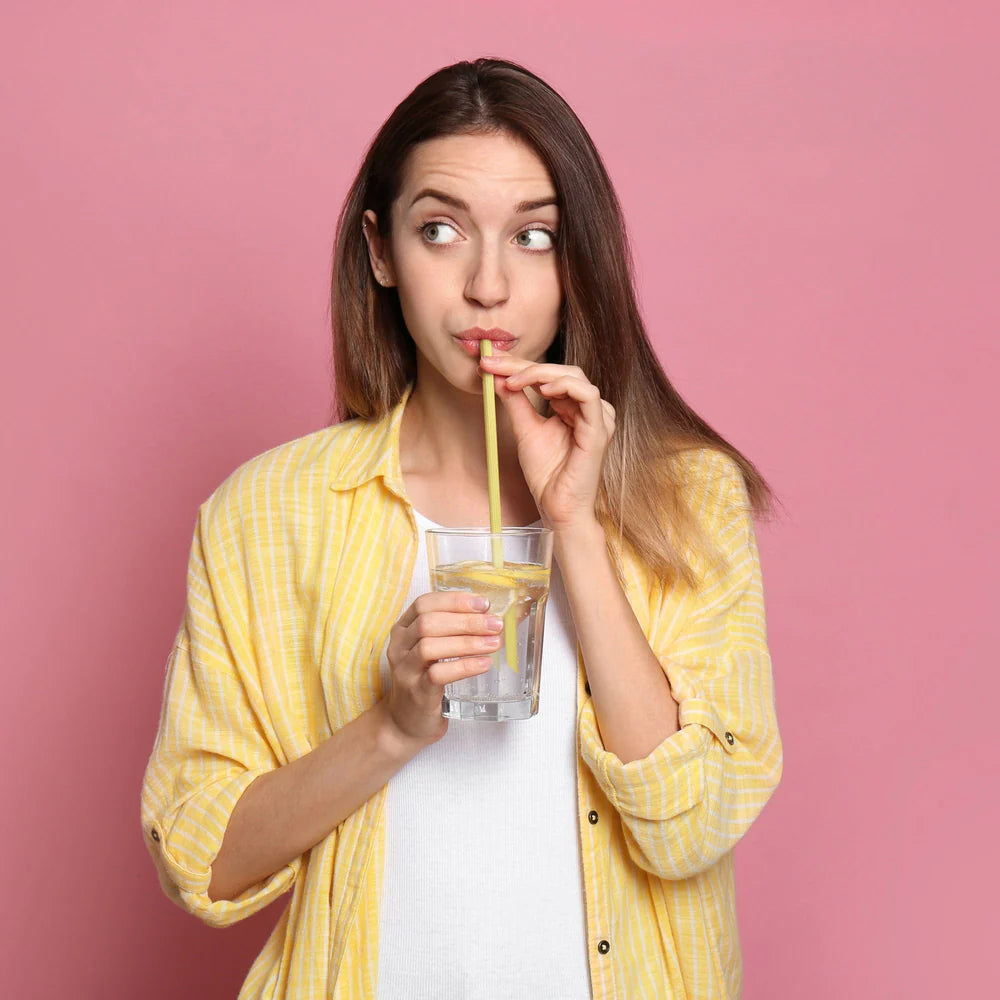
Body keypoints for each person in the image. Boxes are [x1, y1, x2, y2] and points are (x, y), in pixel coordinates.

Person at [140, 57, 783, 1000]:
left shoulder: (687, 496)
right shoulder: (266, 513)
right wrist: (392, 730)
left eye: (533, 237)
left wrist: (575, 527)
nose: (489, 286)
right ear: (380, 251)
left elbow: (689, 828)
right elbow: (203, 861)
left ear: (578, 261)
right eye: (441, 230)